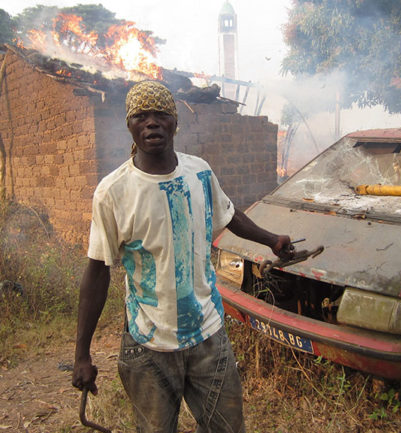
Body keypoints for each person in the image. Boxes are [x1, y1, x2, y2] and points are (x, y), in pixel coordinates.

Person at [72, 80, 293, 433]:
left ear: (175, 122)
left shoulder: (199, 172)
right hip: (149, 345)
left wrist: (271, 240)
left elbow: (228, 213)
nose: (151, 122)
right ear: (129, 125)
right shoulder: (113, 192)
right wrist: (82, 353)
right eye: (141, 116)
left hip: (209, 336)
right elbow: (97, 272)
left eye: (160, 114)